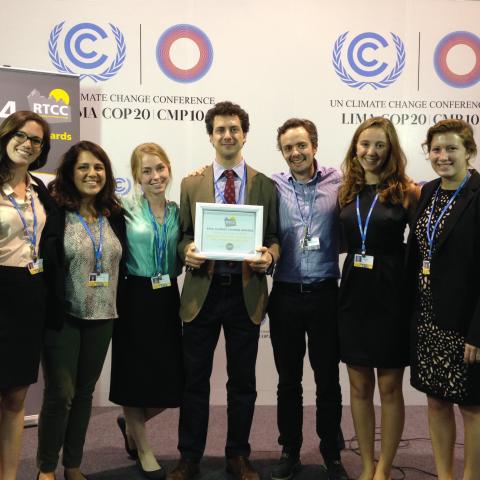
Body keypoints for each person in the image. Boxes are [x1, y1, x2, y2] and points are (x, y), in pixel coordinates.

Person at [167, 101, 280, 480]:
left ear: (244, 134)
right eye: (220, 130)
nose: (227, 135)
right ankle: (189, 457)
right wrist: (187, 252)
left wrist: (271, 255)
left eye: (234, 129)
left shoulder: (265, 184)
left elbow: (274, 237)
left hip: (245, 293)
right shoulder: (190, 183)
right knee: (194, 380)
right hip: (203, 293)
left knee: (243, 383)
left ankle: (238, 455)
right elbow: (182, 235)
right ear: (211, 135)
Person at [36, 141, 127, 480]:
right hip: (64, 318)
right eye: (84, 167)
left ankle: (72, 464)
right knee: (61, 395)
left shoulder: (114, 214)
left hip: (103, 317)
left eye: (99, 167)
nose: (92, 174)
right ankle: (46, 467)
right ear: (71, 173)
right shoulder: (56, 211)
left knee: (85, 395)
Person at [337, 117, 419, 480]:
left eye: (379, 145)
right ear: (355, 147)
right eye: (365, 144)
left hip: (391, 293)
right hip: (353, 292)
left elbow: (423, 245)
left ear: (391, 150)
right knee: (358, 386)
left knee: (388, 386)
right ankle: (366, 464)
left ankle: (383, 469)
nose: (371, 152)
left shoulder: (407, 191)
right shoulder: (345, 190)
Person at [268, 118, 348, 480]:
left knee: (328, 379)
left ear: (314, 145)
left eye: (301, 145)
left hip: (325, 295)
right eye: (288, 148)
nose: (295, 153)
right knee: (288, 380)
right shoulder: (270, 186)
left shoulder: (340, 181)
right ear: (282, 152)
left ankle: (332, 453)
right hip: (284, 295)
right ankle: (290, 450)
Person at [406, 119, 480, 480]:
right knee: (436, 401)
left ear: (469, 151)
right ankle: (444, 475)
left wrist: (477, 332)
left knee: (472, 407)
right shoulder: (427, 192)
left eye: (452, 148)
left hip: (465, 323)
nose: (443, 156)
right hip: (428, 318)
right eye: (436, 149)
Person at [109, 143, 183, 480]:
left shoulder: (179, 211)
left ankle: (131, 424)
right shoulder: (122, 209)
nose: (155, 176)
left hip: (168, 295)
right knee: (133, 374)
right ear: (136, 176)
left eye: (160, 168)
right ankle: (144, 449)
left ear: (169, 168)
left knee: (173, 380)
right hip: (133, 296)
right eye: (146, 170)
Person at [0, 111, 52, 480]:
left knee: (15, 397)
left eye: (36, 140)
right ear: (5, 136)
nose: (27, 144)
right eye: (21, 135)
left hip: (29, 295)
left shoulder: (40, 189)